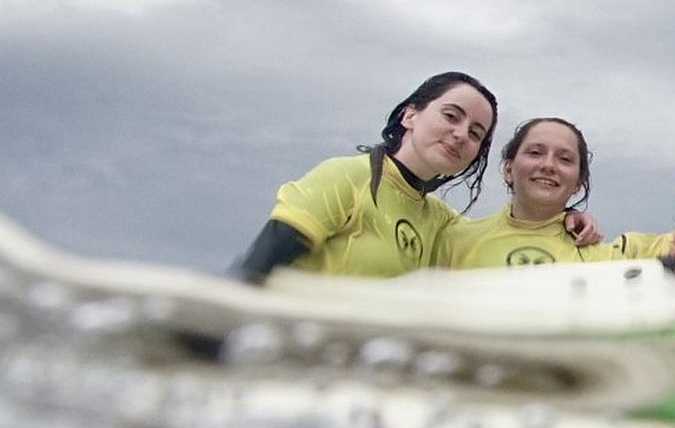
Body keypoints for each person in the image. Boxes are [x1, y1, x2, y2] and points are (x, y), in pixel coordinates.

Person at [236, 72, 498, 283]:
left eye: (475, 133)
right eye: (451, 116)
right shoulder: (346, 177)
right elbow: (255, 269)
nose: (461, 134)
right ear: (410, 116)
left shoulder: (442, 221)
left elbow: (507, 242)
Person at [435, 117, 619, 268]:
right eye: (535, 153)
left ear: (578, 182)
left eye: (564, 159)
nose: (548, 165)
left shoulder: (605, 260)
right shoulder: (456, 240)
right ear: (508, 169)